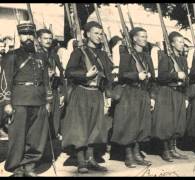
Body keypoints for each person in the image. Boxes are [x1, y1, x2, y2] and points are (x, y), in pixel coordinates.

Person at [0, 22, 52, 177]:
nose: (28, 37)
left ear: (34, 36)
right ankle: (16, 167)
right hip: (19, 100)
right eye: (24, 34)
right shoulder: (12, 56)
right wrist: (6, 102)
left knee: (36, 136)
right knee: (18, 136)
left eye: (30, 34)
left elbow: (46, 80)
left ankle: (29, 165)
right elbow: (4, 80)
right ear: (19, 36)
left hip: (39, 100)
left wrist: (48, 100)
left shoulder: (41, 56)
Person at [62, 21, 113, 173]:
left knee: (95, 128)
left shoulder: (103, 54)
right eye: (96, 33)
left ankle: (91, 159)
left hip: (97, 93)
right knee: (81, 127)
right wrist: (85, 75)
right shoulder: (79, 52)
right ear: (87, 34)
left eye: (101, 33)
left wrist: (108, 95)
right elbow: (69, 72)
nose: (99, 36)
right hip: (82, 92)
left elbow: (108, 76)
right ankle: (80, 161)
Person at [111, 27, 155, 168]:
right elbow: (122, 74)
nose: (144, 39)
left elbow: (152, 78)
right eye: (141, 36)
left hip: (143, 93)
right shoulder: (127, 55)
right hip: (130, 93)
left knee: (142, 125)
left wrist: (151, 96)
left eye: (145, 36)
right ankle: (128, 155)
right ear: (134, 38)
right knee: (130, 124)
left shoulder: (147, 56)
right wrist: (137, 75)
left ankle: (137, 153)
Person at [152, 31, 189, 162]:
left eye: (183, 41)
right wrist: (175, 75)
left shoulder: (183, 59)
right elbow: (161, 77)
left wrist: (186, 96)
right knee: (167, 122)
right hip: (167, 92)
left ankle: (173, 148)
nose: (182, 44)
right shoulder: (165, 58)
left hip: (179, 93)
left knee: (177, 122)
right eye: (179, 41)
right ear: (172, 44)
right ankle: (165, 150)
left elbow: (186, 78)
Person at [36, 28, 65, 139]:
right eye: (45, 38)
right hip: (41, 89)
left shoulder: (53, 55)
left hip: (54, 87)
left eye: (50, 38)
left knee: (55, 114)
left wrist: (62, 91)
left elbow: (61, 72)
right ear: (39, 40)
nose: (48, 41)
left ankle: (53, 135)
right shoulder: (36, 54)